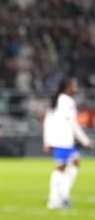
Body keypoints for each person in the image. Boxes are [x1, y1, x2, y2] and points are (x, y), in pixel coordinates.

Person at [43, 77, 91, 209]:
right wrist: (85, 140)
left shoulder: (55, 100)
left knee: (73, 163)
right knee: (61, 168)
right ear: (67, 87)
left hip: (57, 139)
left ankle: (62, 195)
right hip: (64, 140)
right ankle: (54, 200)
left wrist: (47, 140)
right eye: (73, 85)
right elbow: (73, 123)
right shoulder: (68, 101)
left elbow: (47, 120)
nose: (75, 87)